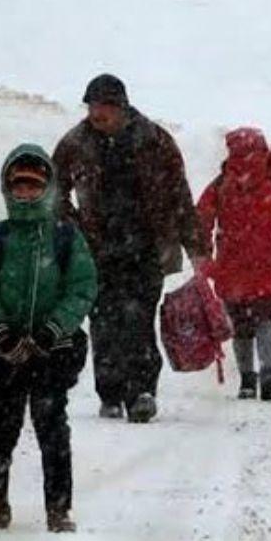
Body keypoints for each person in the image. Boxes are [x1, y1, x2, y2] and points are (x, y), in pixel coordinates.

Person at [53, 74, 210, 423]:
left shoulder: (154, 140)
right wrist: (70, 227)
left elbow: (179, 196)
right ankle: (109, 392)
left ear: (121, 107)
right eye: (92, 106)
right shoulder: (75, 143)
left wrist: (197, 247)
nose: (97, 114)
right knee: (104, 321)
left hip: (146, 249)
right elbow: (54, 192)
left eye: (104, 107)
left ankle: (141, 392)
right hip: (96, 252)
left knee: (139, 320)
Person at [0, 144, 98, 532]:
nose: (26, 194)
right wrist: (2, 332)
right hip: (3, 352)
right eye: (19, 187)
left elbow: (82, 287)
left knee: (51, 424)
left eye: (33, 187)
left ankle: (58, 508)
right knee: (0, 427)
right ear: (7, 189)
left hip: (51, 351)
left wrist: (52, 329)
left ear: (49, 189)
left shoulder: (65, 238)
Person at [196, 127, 271, 401]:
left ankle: (247, 379)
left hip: (232, 265)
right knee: (266, 320)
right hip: (270, 265)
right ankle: (267, 371)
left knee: (240, 326)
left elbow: (201, 219)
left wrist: (202, 253)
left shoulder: (222, 184)